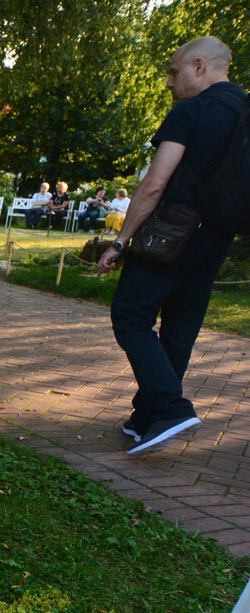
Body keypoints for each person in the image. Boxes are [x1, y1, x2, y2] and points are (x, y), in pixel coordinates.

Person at [96, 36, 244, 455]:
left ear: (199, 66)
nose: (168, 82)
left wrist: (121, 242)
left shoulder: (191, 111)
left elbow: (154, 184)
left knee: (129, 313)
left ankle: (170, 406)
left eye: (174, 72)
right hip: (218, 237)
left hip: (173, 233)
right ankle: (149, 417)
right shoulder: (244, 110)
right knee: (180, 328)